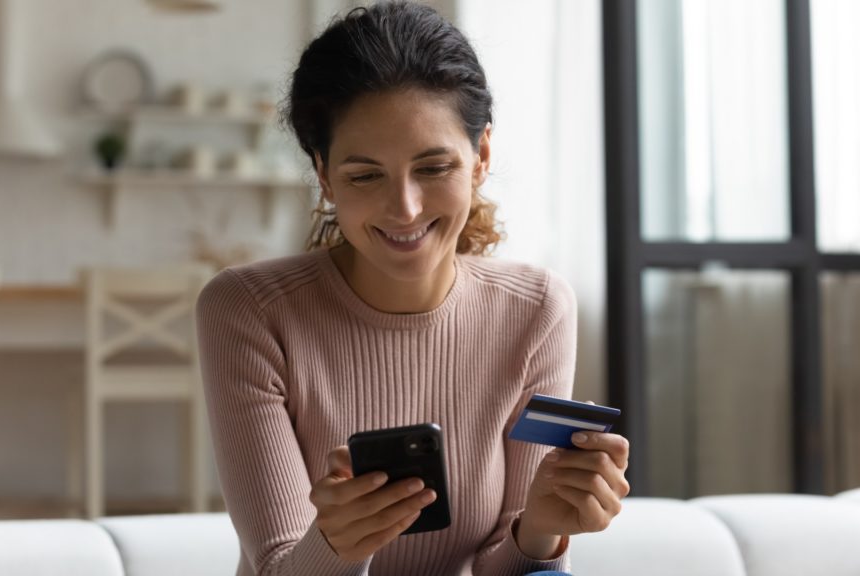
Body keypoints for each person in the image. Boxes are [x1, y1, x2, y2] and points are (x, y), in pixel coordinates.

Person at [195, 2, 630, 575]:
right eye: (365, 175)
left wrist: (542, 529)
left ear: (482, 158)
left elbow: (513, 565)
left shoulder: (537, 309)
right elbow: (278, 566)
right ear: (323, 175)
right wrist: (337, 545)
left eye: (433, 168)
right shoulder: (250, 311)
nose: (405, 208)